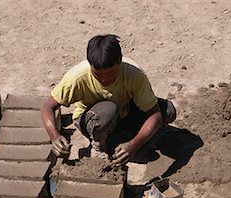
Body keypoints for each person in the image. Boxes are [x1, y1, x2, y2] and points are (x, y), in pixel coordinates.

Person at [41, 34, 176, 166]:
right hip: (92, 119)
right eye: (98, 75)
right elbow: (49, 106)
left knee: (168, 111)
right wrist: (54, 136)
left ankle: (126, 136)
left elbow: (156, 114)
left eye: (111, 73)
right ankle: (100, 143)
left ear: (120, 61)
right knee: (108, 111)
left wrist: (134, 144)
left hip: (124, 112)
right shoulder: (77, 78)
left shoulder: (134, 75)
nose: (105, 79)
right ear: (90, 64)